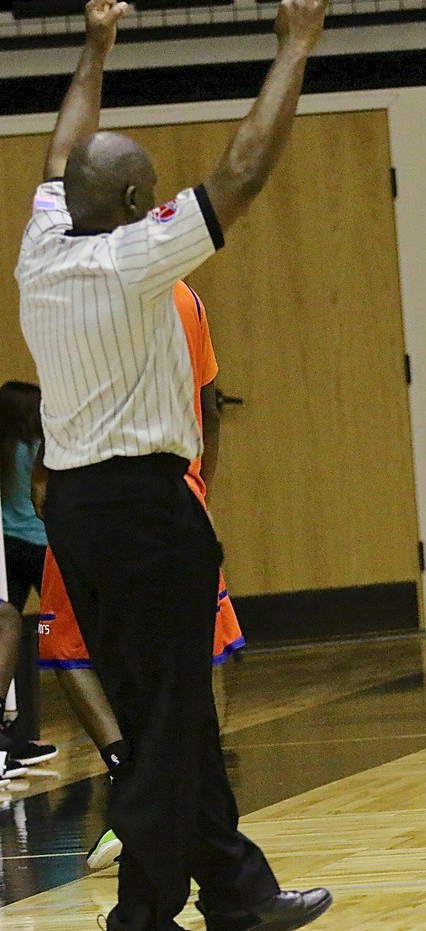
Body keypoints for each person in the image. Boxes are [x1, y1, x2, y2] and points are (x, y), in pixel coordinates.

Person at [14, 0, 336, 929]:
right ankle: (142, 915)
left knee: (173, 705)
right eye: (150, 194)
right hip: (147, 513)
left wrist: (95, 50)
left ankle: (237, 893)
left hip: (79, 514)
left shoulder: (42, 245)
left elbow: (61, 150)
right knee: (163, 722)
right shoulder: (133, 258)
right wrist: (293, 49)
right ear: (132, 201)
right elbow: (242, 172)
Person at [37, 281, 246, 872]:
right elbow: (210, 407)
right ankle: (174, 794)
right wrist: (201, 489)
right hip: (170, 497)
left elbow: (64, 407)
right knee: (202, 642)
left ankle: (135, 781)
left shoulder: (77, 291)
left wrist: (46, 484)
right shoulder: (184, 296)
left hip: (93, 498)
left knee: (66, 640)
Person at [0, 381, 59, 774]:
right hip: (42, 547)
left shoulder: (3, 454)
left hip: (7, 550)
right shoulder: (42, 450)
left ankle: (14, 725)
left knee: (10, 629)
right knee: (56, 625)